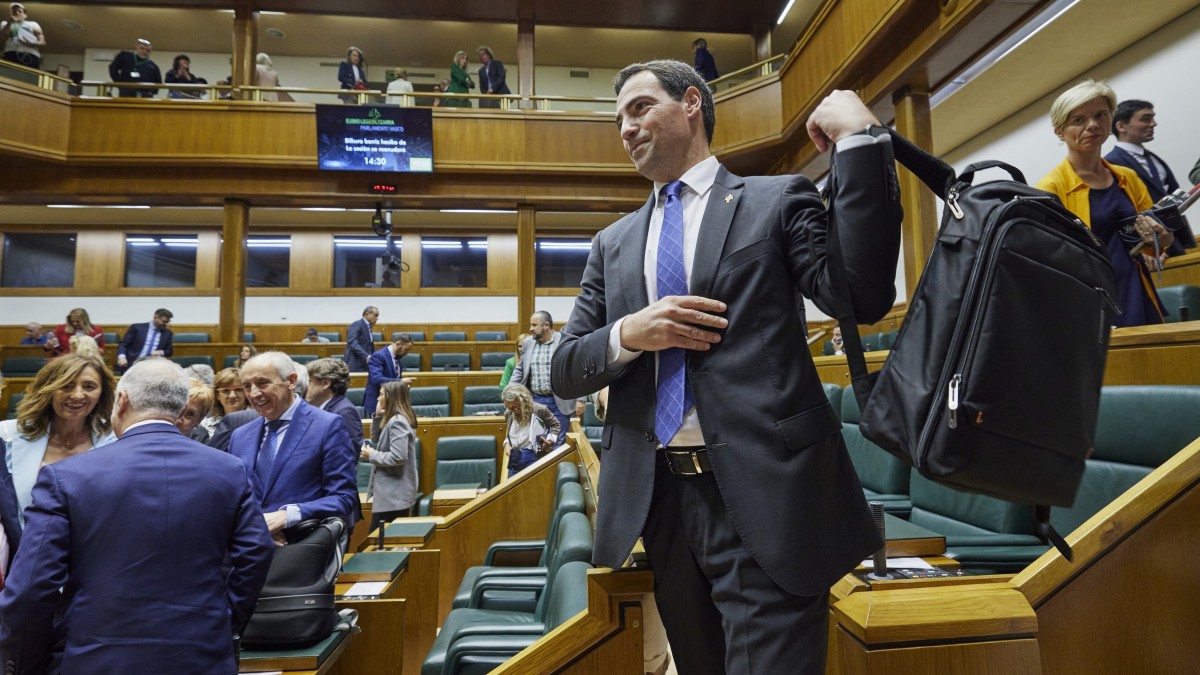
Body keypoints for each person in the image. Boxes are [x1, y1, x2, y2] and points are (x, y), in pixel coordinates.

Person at [549, 59, 902, 675]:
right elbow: (564, 369)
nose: (626, 129)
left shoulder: (775, 198)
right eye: (618, 120)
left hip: (770, 493)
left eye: (639, 108)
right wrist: (632, 332)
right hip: (663, 504)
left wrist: (862, 146)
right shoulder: (612, 244)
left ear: (691, 103)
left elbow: (857, 295)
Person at [0, 358, 273, 674]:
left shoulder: (66, 476)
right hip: (202, 650)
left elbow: (34, 584)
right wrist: (223, 616)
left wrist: (21, 662)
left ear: (122, 400)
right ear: (180, 406)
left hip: (98, 653)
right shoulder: (229, 469)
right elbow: (256, 552)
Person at [1037, 80, 1173, 327]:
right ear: (1059, 130)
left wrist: (1160, 242)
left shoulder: (1127, 177)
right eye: (1078, 120)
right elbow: (1048, 260)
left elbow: (1148, 242)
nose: (1093, 125)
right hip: (1088, 300)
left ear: (1111, 119)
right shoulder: (1050, 188)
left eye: (1100, 115)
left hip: (1135, 289)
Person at [229, 351, 359, 543]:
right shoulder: (239, 436)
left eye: (263, 383)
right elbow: (234, 498)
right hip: (249, 550)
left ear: (291, 381)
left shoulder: (327, 426)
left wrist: (286, 516)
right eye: (247, 386)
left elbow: (344, 497)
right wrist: (254, 526)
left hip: (302, 547)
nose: (254, 393)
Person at [0, 354, 117, 533]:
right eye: (66, 385)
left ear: (101, 394)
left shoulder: (117, 440)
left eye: (89, 386)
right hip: (24, 548)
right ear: (49, 389)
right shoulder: (6, 435)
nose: (77, 394)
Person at [1104, 99, 1195, 252]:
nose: (1153, 123)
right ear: (1121, 126)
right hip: (1147, 247)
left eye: (1153, 117)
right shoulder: (1111, 163)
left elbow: (1173, 196)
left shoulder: (1153, 158)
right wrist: (1143, 248)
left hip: (1176, 239)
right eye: (1145, 118)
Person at [361, 380, 418, 531]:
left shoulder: (398, 422)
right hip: (391, 495)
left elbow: (398, 457)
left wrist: (372, 454)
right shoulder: (392, 419)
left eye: (381, 395)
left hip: (394, 495)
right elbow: (375, 438)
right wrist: (379, 415)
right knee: (378, 541)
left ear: (391, 397)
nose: (378, 398)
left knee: (379, 542)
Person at [511, 311, 578, 438]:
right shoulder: (528, 343)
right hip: (535, 400)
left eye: (534, 325)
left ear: (546, 325)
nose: (530, 329)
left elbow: (576, 369)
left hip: (559, 401)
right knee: (537, 438)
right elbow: (520, 370)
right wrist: (510, 391)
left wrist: (581, 399)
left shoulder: (564, 341)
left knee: (558, 440)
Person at [500, 383, 560, 478]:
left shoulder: (539, 409)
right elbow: (509, 435)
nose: (513, 410)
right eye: (509, 408)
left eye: (516, 407)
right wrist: (506, 444)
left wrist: (550, 440)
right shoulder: (508, 414)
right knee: (513, 489)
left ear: (524, 401)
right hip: (515, 456)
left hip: (533, 455)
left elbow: (555, 425)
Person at [305, 358, 365, 451]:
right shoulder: (316, 408)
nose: (305, 387)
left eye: (309, 381)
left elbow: (348, 455)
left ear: (325, 383)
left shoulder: (345, 412)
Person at [364, 333, 414, 428]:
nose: (406, 353)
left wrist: (403, 386)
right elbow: (376, 379)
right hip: (377, 405)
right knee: (377, 438)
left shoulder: (397, 358)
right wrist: (400, 382)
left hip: (391, 405)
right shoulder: (378, 356)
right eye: (406, 349)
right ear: (398, 344)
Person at [116, 307, 174, 372]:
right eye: (164, 321)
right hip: (132, 364)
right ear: (156, 317)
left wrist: (160, 352)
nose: (166, 324)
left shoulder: (168, 333)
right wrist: (121, 357)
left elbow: (169, 351)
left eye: (168, 322)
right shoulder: (137, 328)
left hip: (152, 366)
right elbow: (123, 344)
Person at [199, 366, 247, 441]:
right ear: (217, 395)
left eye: (238, 390)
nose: (232, 396)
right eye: (225, 391)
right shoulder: (206, 426)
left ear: (246, 393)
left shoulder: (259, 422)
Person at [0, 3, 44, 69]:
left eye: (19, 11)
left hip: (30, 54)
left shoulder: (33, 24)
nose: (17, 13)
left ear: (25, 14)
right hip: (11, 53)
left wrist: (31, 43)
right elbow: (3, 37)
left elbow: (42, 42)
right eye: (14, 11)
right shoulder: (5, 24)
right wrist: (10, 22)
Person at [178, 377, 214, 442]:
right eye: (177, 409)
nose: (179, 420)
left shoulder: (201, 439)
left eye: (189, 414)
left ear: (200, 420)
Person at [344, 305, 378, 371]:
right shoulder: (357, 325)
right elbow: (353, 343)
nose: (377, 318)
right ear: (367, 314)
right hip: (355, 363)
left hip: (364, 363)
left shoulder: (368, 326)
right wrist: (366, 356)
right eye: (375, 315)